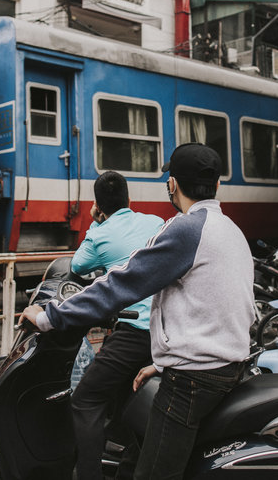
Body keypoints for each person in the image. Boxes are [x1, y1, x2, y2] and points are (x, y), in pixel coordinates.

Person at [21, 143, 254, 480]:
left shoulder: (187, 228)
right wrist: (159, 363)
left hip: (192, 381)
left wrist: (48, 316)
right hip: (226, 368)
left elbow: (119, 285)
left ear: (172, 185)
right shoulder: (231, 230)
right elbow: (211, 310)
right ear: (217, 186)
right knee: (134, 459)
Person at [69, 171, 165, 480]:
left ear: (98, 205)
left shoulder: (100, 233)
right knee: (130, 400)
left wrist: (95, 223)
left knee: (85, 400)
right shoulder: (154, 222)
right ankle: (128, 467)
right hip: (167, 331)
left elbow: (77, 266)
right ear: (129, 199)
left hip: (135, 332)